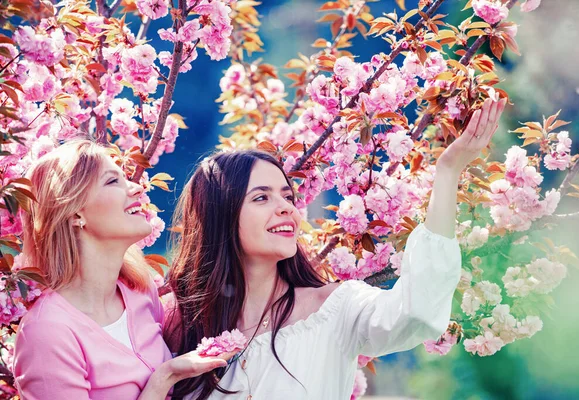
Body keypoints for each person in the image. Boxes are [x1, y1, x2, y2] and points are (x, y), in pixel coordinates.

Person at [165, 98, 506, 399]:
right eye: (261, 198)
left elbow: (415, 312)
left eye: (287, 196)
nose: (286, 208)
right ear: (220, 215)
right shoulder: (179, 321)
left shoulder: (334, 309)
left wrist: (447, 172)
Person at [13, 139, 231, 399]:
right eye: (112, 181)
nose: (137, 188)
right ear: (74, 214)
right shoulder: (47, 332)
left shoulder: (139, 291)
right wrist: (163, 379)